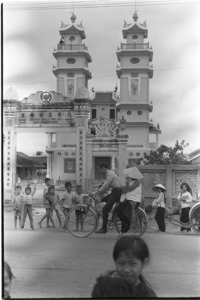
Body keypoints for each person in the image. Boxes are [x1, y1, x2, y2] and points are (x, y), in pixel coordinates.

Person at [91, 162, 123, 234]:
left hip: (117, 192)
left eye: (100, 169)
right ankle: (110, 219)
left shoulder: (110, 174)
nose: (99, 171)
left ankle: (104, 228)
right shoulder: (108, 175)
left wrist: (96, 193)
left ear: (104, 168)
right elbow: (106, 188)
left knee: (105, 209)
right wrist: (98, 193)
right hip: (115, 192)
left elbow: (105, 186)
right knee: (103, 199)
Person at [115, 167, 143, 236]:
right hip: (127, 199)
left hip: (134, 200)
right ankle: (125, 224)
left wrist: (126, 184)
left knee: (125, 214)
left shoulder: (137, 182)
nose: (129, 176)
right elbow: (125, 190)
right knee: (117, 209)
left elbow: (129, 189)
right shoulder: (129, 181)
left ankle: (124, 229)